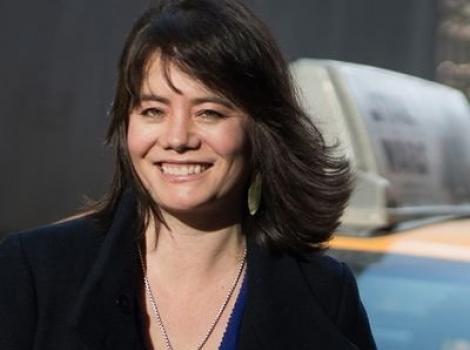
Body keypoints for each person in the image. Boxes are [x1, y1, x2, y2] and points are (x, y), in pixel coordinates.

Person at [0, 0, 376, 349]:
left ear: (261, 130)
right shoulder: (34, 271)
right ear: (125, 124)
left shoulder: (324, 293)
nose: (178, 139)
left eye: (209, 112)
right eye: (153, 111)